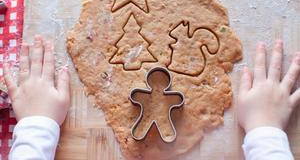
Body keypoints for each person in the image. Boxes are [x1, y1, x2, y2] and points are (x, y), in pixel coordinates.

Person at [3, 36, 300, 160]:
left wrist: (36, 125)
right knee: (149, 122)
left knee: (155, 122)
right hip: (149, 116)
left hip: (156, 116)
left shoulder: (168, 98)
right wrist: (266, 131)